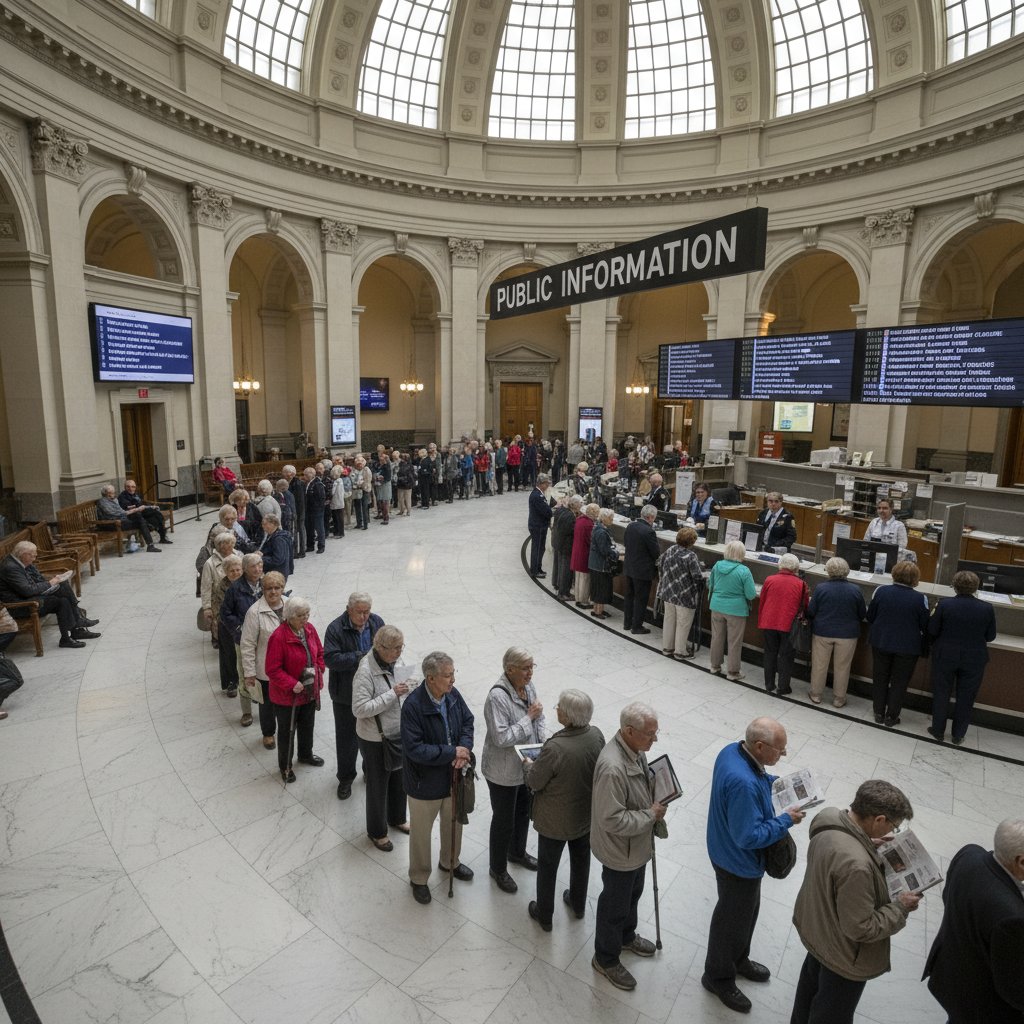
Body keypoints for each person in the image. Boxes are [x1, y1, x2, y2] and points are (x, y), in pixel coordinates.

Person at [791, 780, 919, 1024]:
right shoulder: (857, 867)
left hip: (817, 928)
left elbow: (839, 853)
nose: (892, 831)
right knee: (831, 1015)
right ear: (879, 819)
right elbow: (861, 928)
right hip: (843, 956)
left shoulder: (828, 818)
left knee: (807, 997)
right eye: (893, 825)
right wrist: (900, 907)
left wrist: (867, 844)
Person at [702, 717, 806, 1014]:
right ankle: (718, 977)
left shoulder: (731, 751)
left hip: (726, 850)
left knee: (745, 914)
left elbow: (757, 780)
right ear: (759, 746)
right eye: (779, 750)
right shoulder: (743, 783)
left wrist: (777, 784)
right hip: (737, 863)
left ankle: (739, 959)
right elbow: (748, 836)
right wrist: (786, 820)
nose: (783, 754)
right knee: (731, 921)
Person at [590, 701, 665, 993]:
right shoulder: (612, 767)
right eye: (650, 734)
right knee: (615, 904)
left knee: (633, 893)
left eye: (656, 732)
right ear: (629, 731)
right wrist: (650, 815)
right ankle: (605, 959)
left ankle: (626, 936)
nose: (654, 739)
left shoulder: (635, 750)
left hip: (636, 845)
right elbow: (611, 819)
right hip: (620, 850)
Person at [923, 817, 1024, 1023]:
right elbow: (1014, 987)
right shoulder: (1012, 917)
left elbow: (948, 897)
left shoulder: (968, 854)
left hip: (949, 977)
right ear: (1020, 861)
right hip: (981, 1007)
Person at [524, 688, 605, 931]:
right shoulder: (596, 735)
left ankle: (545, 915)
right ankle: (578, 904)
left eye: (559, 706)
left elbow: (535, 781)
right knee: (581, 861)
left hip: (555, 821)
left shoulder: (556, 747)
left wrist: (528, 765)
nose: (556, 708)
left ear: (568, 717)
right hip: (584, 816)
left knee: (548, 868)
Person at [401, 650, 475, 905]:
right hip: (424, 782)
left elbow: (468, 721)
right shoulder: (413, 706)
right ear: (430, 678)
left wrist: (463, 750)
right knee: (421, 834)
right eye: (447, 675)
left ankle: (450, 862)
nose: (453, 679)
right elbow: (415, 749)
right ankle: (419, 877)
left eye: (453, 673)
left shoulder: (452, 695)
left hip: (453, 776)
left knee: (454, 823)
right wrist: (451, 753)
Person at [482, 647, 546, 894]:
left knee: (523, 813)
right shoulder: (497, 697)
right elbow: (501, 738)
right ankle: (497, 868)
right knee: (503, 821)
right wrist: (528, 718)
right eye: (525, 668)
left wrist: (542, 744)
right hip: (503, 771)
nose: (530, 673)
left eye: (532, 667)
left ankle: (517, 852)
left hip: (526, 766)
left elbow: (540, 716)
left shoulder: (528, 687)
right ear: (510, 670)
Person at [351, 625, 412, 851]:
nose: (399, 652)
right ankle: (377, 832)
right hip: (375, 739)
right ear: (381, 647)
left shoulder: (396, 661)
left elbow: (403, 685)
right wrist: (392, 694)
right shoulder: (365, 671)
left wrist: (411, 687)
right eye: (395, 648)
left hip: (397, 732)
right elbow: (359, 708)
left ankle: (397, 818)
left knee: (399, 779)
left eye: (401, 647)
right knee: (378, 786)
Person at [323, 592, 384, 799]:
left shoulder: (376, 622)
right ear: (349, 610)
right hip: (345, 694)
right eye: (359, 612)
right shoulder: (335, 628)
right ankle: (346, 779)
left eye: (367, 611)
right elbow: (330, 659)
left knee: (373, 736)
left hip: (372, 692)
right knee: (346, 739)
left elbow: (385, 648)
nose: (364, 616)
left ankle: (370, 771)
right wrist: (360, 657)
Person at [927, 569, 997, 744]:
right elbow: (990, 636)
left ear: (954, 586)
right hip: (974, 658)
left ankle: (938, 730)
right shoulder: (987, 608)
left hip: (945, 655)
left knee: (942, 693)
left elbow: (932, 630)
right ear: (976, 587)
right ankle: (958, 735)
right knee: (966, 697)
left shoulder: (944, 604)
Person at [264, 596, 326, 783]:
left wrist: (319, 669)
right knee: (287, 732)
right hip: (287, 696)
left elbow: (320, 652)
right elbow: (272, 669)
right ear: (289, 616)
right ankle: (285, 766)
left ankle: (305, 754)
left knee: (307, 725)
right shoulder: (279, 637)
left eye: (307, 614)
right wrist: (292, 684)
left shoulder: (309, 629)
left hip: (309, 690)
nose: (305, 618)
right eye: (300, 615)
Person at [0, 540, 99, 649]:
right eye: (33, 556)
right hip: (20, 606)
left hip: (27, 598)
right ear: (24, 555)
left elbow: (35, 581)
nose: (34, 559)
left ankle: (71, 633)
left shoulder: (18, 560)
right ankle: (76, 624)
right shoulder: (11, 567)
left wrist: (53, 582)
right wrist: (51, 583)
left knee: (62, 593)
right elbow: (27, 590)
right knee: (62, 596)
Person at [865, 560, 929, 725]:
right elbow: (925, 625)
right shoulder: (921, 598)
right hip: (908, 647)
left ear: (894, 573)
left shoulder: (880, 591)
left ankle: (878, 712)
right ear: (915, 578)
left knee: (880, 677)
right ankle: (891, 716)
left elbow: (870, 616)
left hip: (881, 641)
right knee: (900, 682)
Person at [806, 557, 867, 708]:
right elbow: (862, 614)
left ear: (829, 571)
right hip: (848, 635)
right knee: (842, 667)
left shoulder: (821, 588)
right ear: (846, 571)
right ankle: (839, 698)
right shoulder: (856, 590)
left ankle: (816, 694)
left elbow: (811, 611)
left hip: (822, 632)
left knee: (819, 665)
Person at [239, 570, 288, 749]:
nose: (273, 592)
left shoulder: (290, 605)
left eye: (277, 587)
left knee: (286, 701)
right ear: (263, 589)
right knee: (267, 704)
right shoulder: (255, 612)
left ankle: (286, 729)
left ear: (283, 588)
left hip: (288, 667)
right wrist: (249, 672)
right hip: (266, 669)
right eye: (269, 588)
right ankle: (268, 733)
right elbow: (247, 644)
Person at [221, 552, 264, 726]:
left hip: (265, 638)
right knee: (245, 674)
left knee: (265, 672)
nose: (258, 569)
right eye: (254, 566)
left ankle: (266, 707)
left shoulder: (266, 583)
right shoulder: (235, 589)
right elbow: (225, 613)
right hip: (244, 640)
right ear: (245, 569)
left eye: (260, 565)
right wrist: (240, 628)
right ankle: (246, 712)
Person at [757, 553, 808, 694]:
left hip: (769, 622)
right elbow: (805, 605)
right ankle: (783, 687)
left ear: (780, 565)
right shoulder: (801, 584)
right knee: (786, 655)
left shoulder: (769, 579)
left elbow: (762, 601)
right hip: (789, 625)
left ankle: (769, 684)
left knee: (770, 653)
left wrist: (761, 620)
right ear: (796, 568)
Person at [708, 540, 757, 681]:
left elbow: (710, 584)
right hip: (736, 610)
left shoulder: (717, 565)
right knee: (734, 641)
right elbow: (751, 595)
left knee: (716, 637)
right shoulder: (744, 570)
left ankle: (715, 666)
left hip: (716, 606)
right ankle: (733, 672)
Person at [656, 526, 704, 660]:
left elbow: (659, 562)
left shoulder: (670, 549)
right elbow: (697, 576)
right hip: (684, 596)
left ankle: (667, 648)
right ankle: (680, 652)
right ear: (692, 542)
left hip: (668, 592)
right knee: (683, 624)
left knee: (669, 621)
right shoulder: (691, 556)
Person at [622, 504, 659, 635]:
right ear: (650, 517)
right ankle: (637, 626)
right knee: (641, 599)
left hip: (629, 567)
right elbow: (656, 553)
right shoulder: (649, 532)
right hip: (643, 571)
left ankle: (627, 623)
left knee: (629, 596)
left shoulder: (631, 526)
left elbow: (626, 543)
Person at [212, 553, 244, 697]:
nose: (236, 573)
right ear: (226, 572)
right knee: (229, 655)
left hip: (245, 625)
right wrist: (236, 624)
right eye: (232, 571)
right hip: (227, 626)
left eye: (238, 570)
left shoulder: (246, 583)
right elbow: (221, 609)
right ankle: (232, 682)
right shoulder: (221, 586)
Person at [96, 484, 161, 553]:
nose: (113, 494)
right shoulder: (103, 502)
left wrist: (135, 510)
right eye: (111, 492)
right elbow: (114, 513)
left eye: (113, 492)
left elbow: (121, 511)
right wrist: (134, 510)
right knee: (140, 521)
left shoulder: (114, 500)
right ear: (106, 493)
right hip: (110, 524)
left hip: (120, 521)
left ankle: (150, 540)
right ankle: (150, 533)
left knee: (138, 518)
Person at [588, 508, 617, 620]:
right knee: (601, 588)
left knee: (597, 588)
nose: (612, 521)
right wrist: (615, 552)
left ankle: (597, 609)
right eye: (611, 518)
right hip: (600, 565)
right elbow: (604, 550)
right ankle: (598, 611)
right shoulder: (601, 532)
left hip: (595, 564)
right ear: (604, 519)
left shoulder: (599, 528)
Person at [550, 495, 579, 602]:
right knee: (566, 570)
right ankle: (563, 593)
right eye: (580, 504)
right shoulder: (570, 516)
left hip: (559, 543)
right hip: (566, 546)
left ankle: (560, 588)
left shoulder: (562, 511)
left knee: (561, 568)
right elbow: (569, 531)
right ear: (575, 505)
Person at [570, 502, 597, 609]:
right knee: (585, 579)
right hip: (584, 554)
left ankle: (578, 598)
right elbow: (590, 540)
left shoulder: (579, 520)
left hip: (577, 552)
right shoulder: (589, 524)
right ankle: (583, 600)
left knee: (578, 578)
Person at [527, 473, 553, 578]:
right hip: (538, 525)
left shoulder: (539, 494)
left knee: (540, 548)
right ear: (541, 484)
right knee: (537, 549)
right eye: (546, 483)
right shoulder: (537, 496)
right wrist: (551, 512)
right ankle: (534, 570)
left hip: (539, 525)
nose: (547, 486)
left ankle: (538, 567)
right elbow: (546, 511)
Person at [256, 511, 292, 579]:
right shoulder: (272, 536)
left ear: (273, 524)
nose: (263, 526)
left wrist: (260, 558)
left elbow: (278, 559)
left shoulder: (279, 539)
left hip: (277, 573)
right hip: (276, 572)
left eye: (265, 524)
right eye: (262, 524)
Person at [282, 464, 306, 557]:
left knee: (300, 530)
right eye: (283, 472)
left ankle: (302, 551)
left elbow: (300, 501)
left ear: (291, 474)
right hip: (293, 511)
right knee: (295, 530)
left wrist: (297, 513)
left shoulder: (297, 484)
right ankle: (295, 550)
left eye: (285, 472)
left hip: (298, 511)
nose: (283, 474)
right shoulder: (288, 482)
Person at [302, 466, 326, 550]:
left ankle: (321, 546)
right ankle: (310, 545)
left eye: (305, 475)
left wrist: (317, 508)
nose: (304, 476)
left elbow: (321, 498)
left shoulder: (317, 484)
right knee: (309, 528)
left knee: (319, 528)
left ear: (311, 474)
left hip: (317, 510)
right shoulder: (307, 483)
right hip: (309, 510)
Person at [351, 456, 372, 529]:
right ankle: (359, 523)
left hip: (364, 490)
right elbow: (352, 478)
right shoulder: (354, 470)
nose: (359, 465)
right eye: (358, 464)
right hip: (356, 490)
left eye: (360, 464)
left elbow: (367, 480)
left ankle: (365, 524)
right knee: (357, 507)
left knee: (364, 507)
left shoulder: (366, 470)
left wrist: (361, 484)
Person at [373, 450, 392, 523]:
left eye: (382, 460)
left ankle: (386, 518)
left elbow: (388, 478)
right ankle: (383, 516)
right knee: (381, 502)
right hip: (380, 486)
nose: (380, 461)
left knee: (385, 503)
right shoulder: (380, 466)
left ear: (385, 460)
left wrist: (380, 478)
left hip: (385, 486)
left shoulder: (387, 467)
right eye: (380, 460)